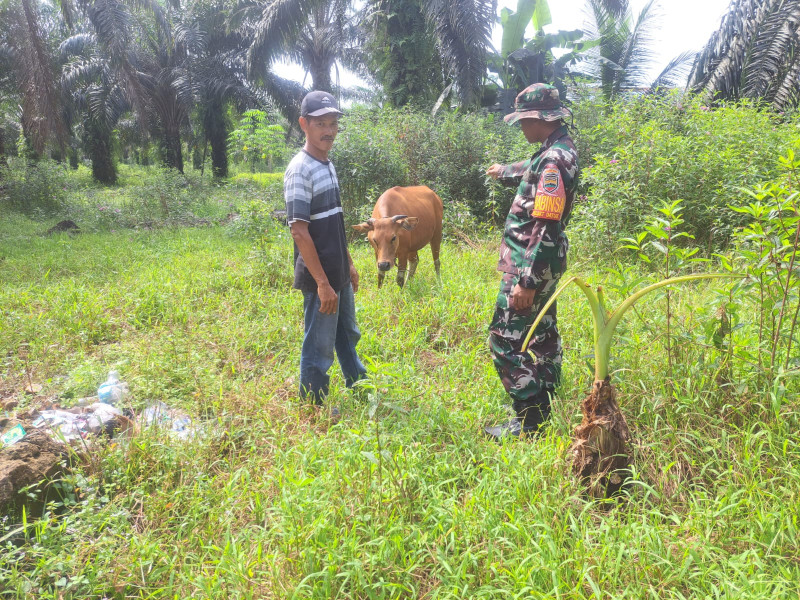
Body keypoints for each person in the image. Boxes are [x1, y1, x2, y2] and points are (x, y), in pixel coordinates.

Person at [483, 83, 580, 441]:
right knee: (542, 333)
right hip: (549, 263)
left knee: (504, 338)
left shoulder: (553, 161)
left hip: (531, 262)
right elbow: (531, 167)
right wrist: (503, 169)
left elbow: (545, 223)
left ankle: (529, 417)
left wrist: (526, 280)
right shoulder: (557, 150)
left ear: (540, 119)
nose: (521, 127)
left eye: (524, 120)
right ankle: (547, 398)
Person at [284, 90, 367, 412]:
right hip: (320, 277)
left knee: (348, 333)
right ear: (304, 124)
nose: (328, 130)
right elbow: (299, 231)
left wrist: (349, 265)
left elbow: (335, 223)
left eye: (333, 123)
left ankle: (359, 383)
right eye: (321, 123)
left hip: (338, 271)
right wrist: (322, 284)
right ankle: (313, 405)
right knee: (318, 344)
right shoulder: (300, 169)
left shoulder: (326, 164)